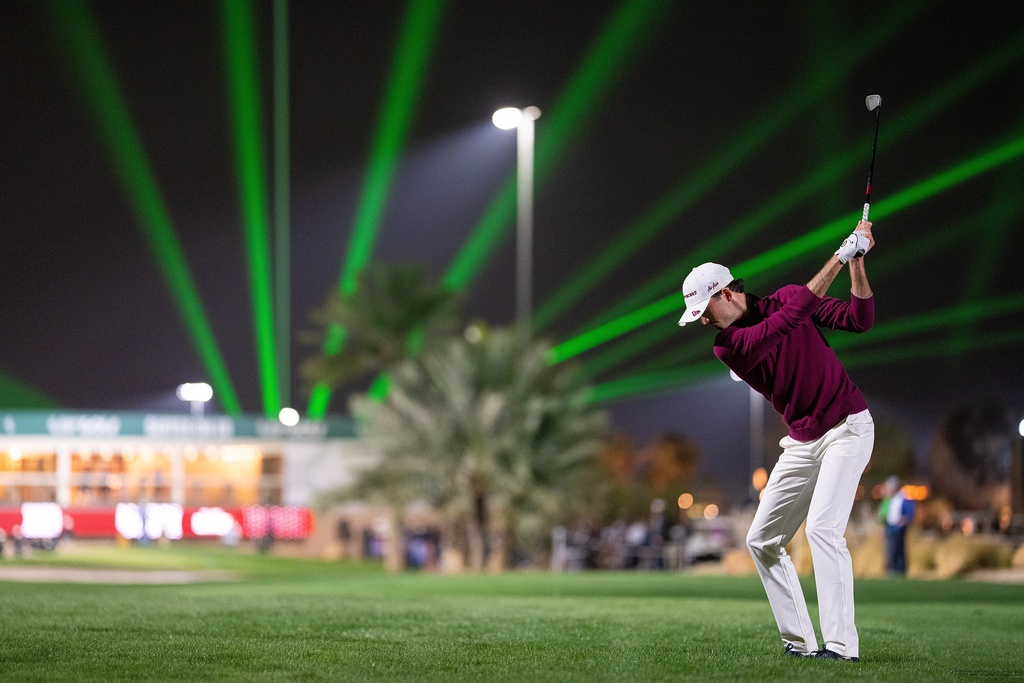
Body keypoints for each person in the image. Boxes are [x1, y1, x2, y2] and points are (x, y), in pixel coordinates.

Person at [679, 220, 875, 662]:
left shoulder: (788, 297)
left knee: (823, 529)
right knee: (761, 540)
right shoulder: (728, 346)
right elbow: (785, 324)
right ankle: (799, 641)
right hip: (803, 442)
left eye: (705, 310)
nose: (704, 321)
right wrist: (838, 258)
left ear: (726, 292)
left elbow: (859, 320)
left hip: (848, 427)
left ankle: (842, 648)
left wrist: (856, 263)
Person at [879, 476, 914, 575]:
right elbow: (883, 513)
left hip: (898, 527)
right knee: (890, 549)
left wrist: (903, 521)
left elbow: (908, 512)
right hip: (889, 526)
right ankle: (892, 568)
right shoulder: (888, 499)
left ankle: (900, 569)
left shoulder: (902, 497)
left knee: (898, 548)